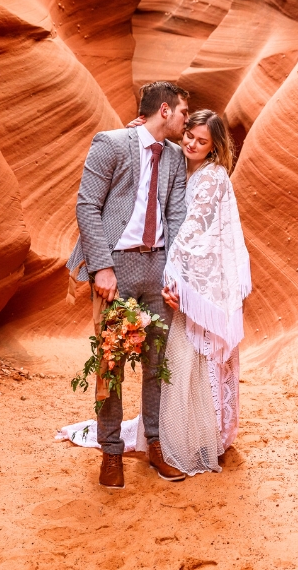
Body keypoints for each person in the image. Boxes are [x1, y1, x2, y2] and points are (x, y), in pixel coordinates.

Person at [66, 81, 190, 489]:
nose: (186, 122)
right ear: (166, 110)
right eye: (184, 113)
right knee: (112, 362)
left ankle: (155, 443)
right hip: (115, 268)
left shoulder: (174, 158)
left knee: (158, 363)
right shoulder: (112, 143)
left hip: (158, 269)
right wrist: (101, 267)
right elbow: (87, 204)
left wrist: (174, 274)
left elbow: (176, 215)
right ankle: (111, 452)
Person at [160, 109, 251, 474]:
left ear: (214, 147)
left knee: (196, 357)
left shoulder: (212, 177)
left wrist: (174, 278)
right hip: (192, 278)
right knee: (186, 359)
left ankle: (200, 437)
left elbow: (197, 230)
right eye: (189, 137)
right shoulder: (184, 165)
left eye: (202, 141)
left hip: (197, 281)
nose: (192, 145)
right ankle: (189, 432)